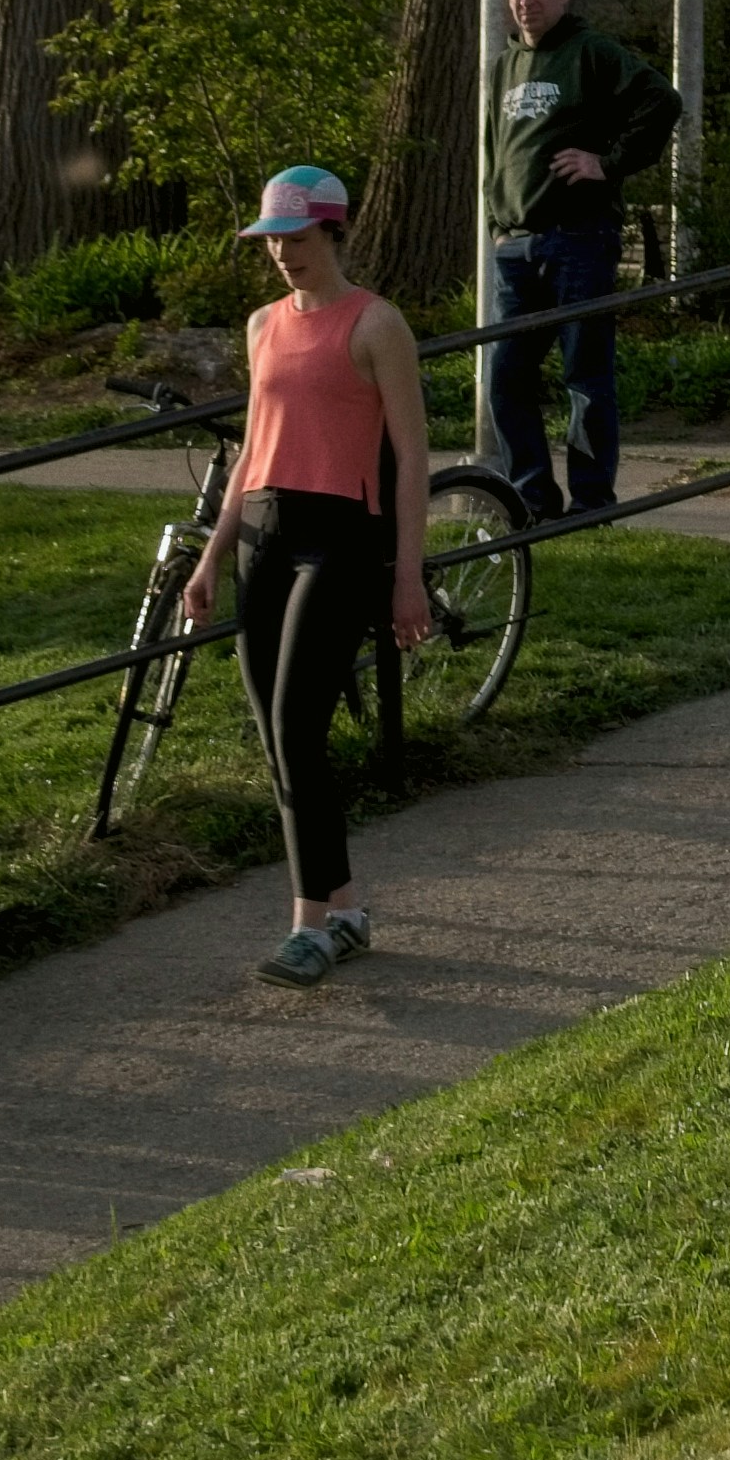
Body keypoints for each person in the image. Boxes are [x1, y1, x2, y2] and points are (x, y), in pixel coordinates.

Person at [179, 163, 435, 990]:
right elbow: (251, 452)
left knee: (296, 725)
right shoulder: (262, 327)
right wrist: (214, 557)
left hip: (341, 538)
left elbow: (412, 462)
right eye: (271, 243)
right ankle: (348, 910)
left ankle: (308, 927)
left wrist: (406, 578)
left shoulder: (375, 325)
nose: (283, 255)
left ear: (333, 231)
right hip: (264, 530)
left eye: (295, 239)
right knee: (277, 735)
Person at [483, 0, 681, 522]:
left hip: (578, 241)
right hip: (515, 248)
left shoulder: (590, 53)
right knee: (506, 380)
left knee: (584, 379)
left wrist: (608, 162)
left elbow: (661, 102)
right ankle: (532, 498)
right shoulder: (503, 66)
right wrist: (497, 223)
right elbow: (495, 152)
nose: (526, 0)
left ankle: (591, 501)